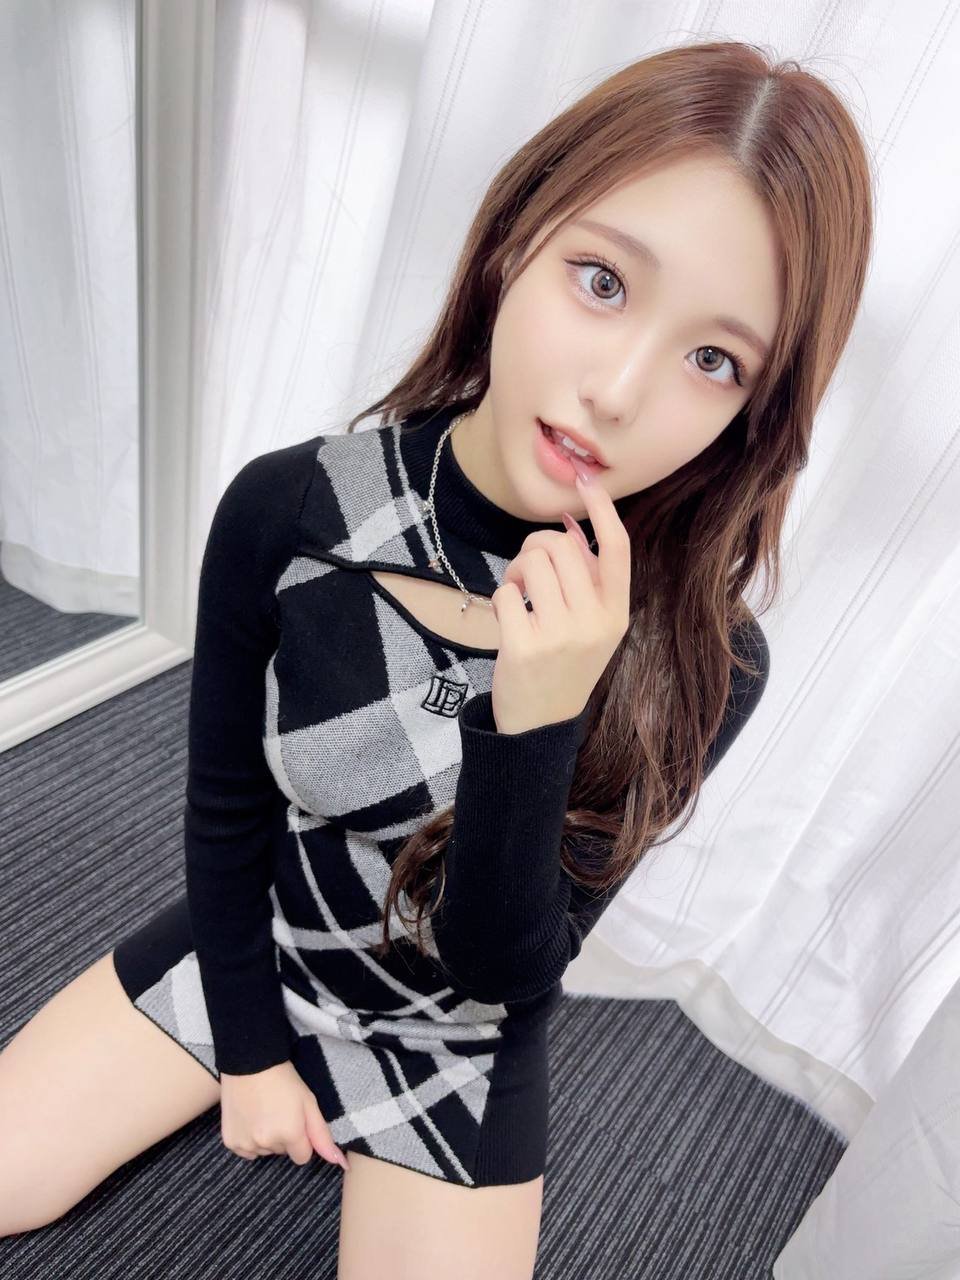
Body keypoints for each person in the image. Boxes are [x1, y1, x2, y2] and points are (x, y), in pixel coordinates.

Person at [0, 36, 873, 1280]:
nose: (619, 391)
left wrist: (537, 716)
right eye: (603, 281)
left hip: (455, 1033)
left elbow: (507, 970)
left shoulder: (704, 658)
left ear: (753, 411)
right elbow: (226, 809)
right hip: (272, 931)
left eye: (713, 359)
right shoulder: (293, 509)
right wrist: (250, 1052)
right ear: (517, 237)